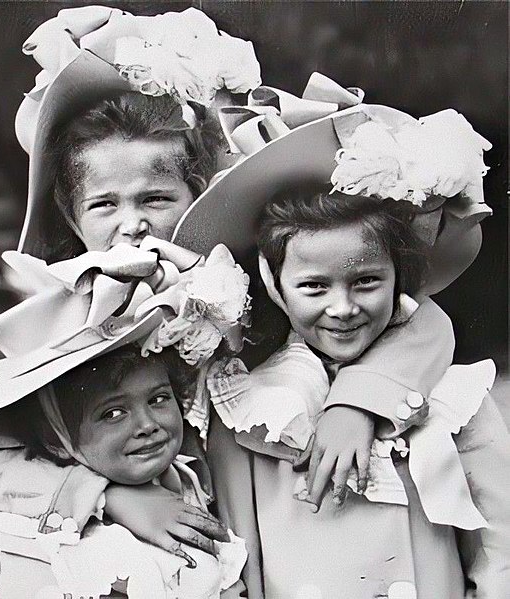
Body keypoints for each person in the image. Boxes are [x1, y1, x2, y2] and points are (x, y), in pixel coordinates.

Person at [0, 4, 468, 581]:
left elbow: (421, 322)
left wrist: (357, 403)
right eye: (104, 205)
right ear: (71, 217)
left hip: (269, 522)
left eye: (155, 199)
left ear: (195, 192)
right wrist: (106, 496)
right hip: (148, 545)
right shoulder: (67, 314)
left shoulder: (241, 280)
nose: (132, 226)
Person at [171, 100, 508, 597]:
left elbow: (500, 545)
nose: (343, 308)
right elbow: (241, 553)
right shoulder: (241, 407)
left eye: (367, 280)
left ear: (400, 279)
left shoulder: (457, 396)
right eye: (314, 287)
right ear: (274, 284)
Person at [0, 241, 248, 599]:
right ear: (56, 439)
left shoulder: (190, 497)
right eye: (113, 413)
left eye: (159, 399)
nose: (147, 424)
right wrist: (103, 495)